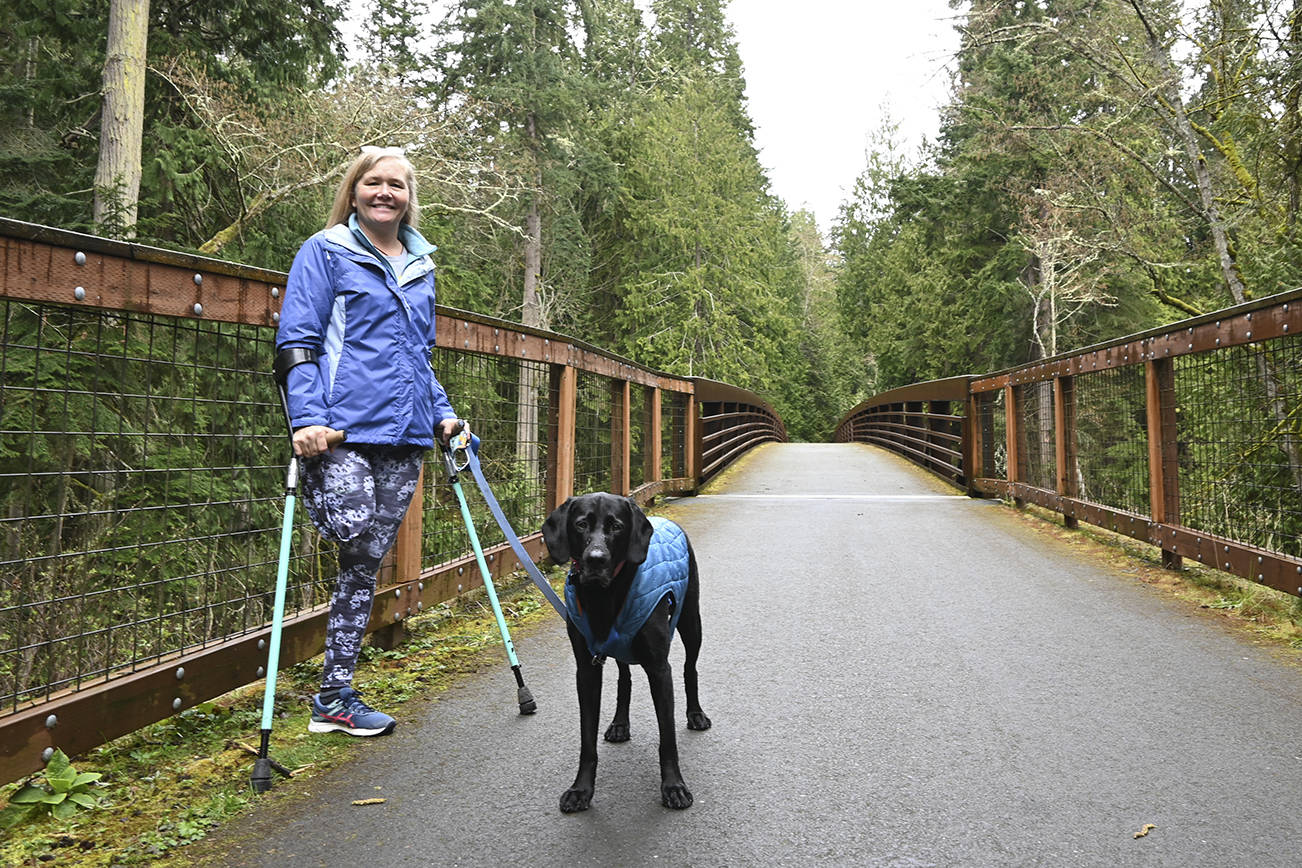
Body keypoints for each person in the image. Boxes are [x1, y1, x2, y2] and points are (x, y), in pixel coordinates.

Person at [276, 146, 460, 736]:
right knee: (351, 526)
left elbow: (419, 356)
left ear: (409, 198)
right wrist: (306, 418)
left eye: (396, 185)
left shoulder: (421, 265)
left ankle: (334, 698)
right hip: (340, 431)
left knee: (363, 565)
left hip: (405, 435)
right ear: (354, 192)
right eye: (373, 182)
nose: (385, 192)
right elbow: (298, 341)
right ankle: (332, 693)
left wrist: (444, 415)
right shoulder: (326, 250)